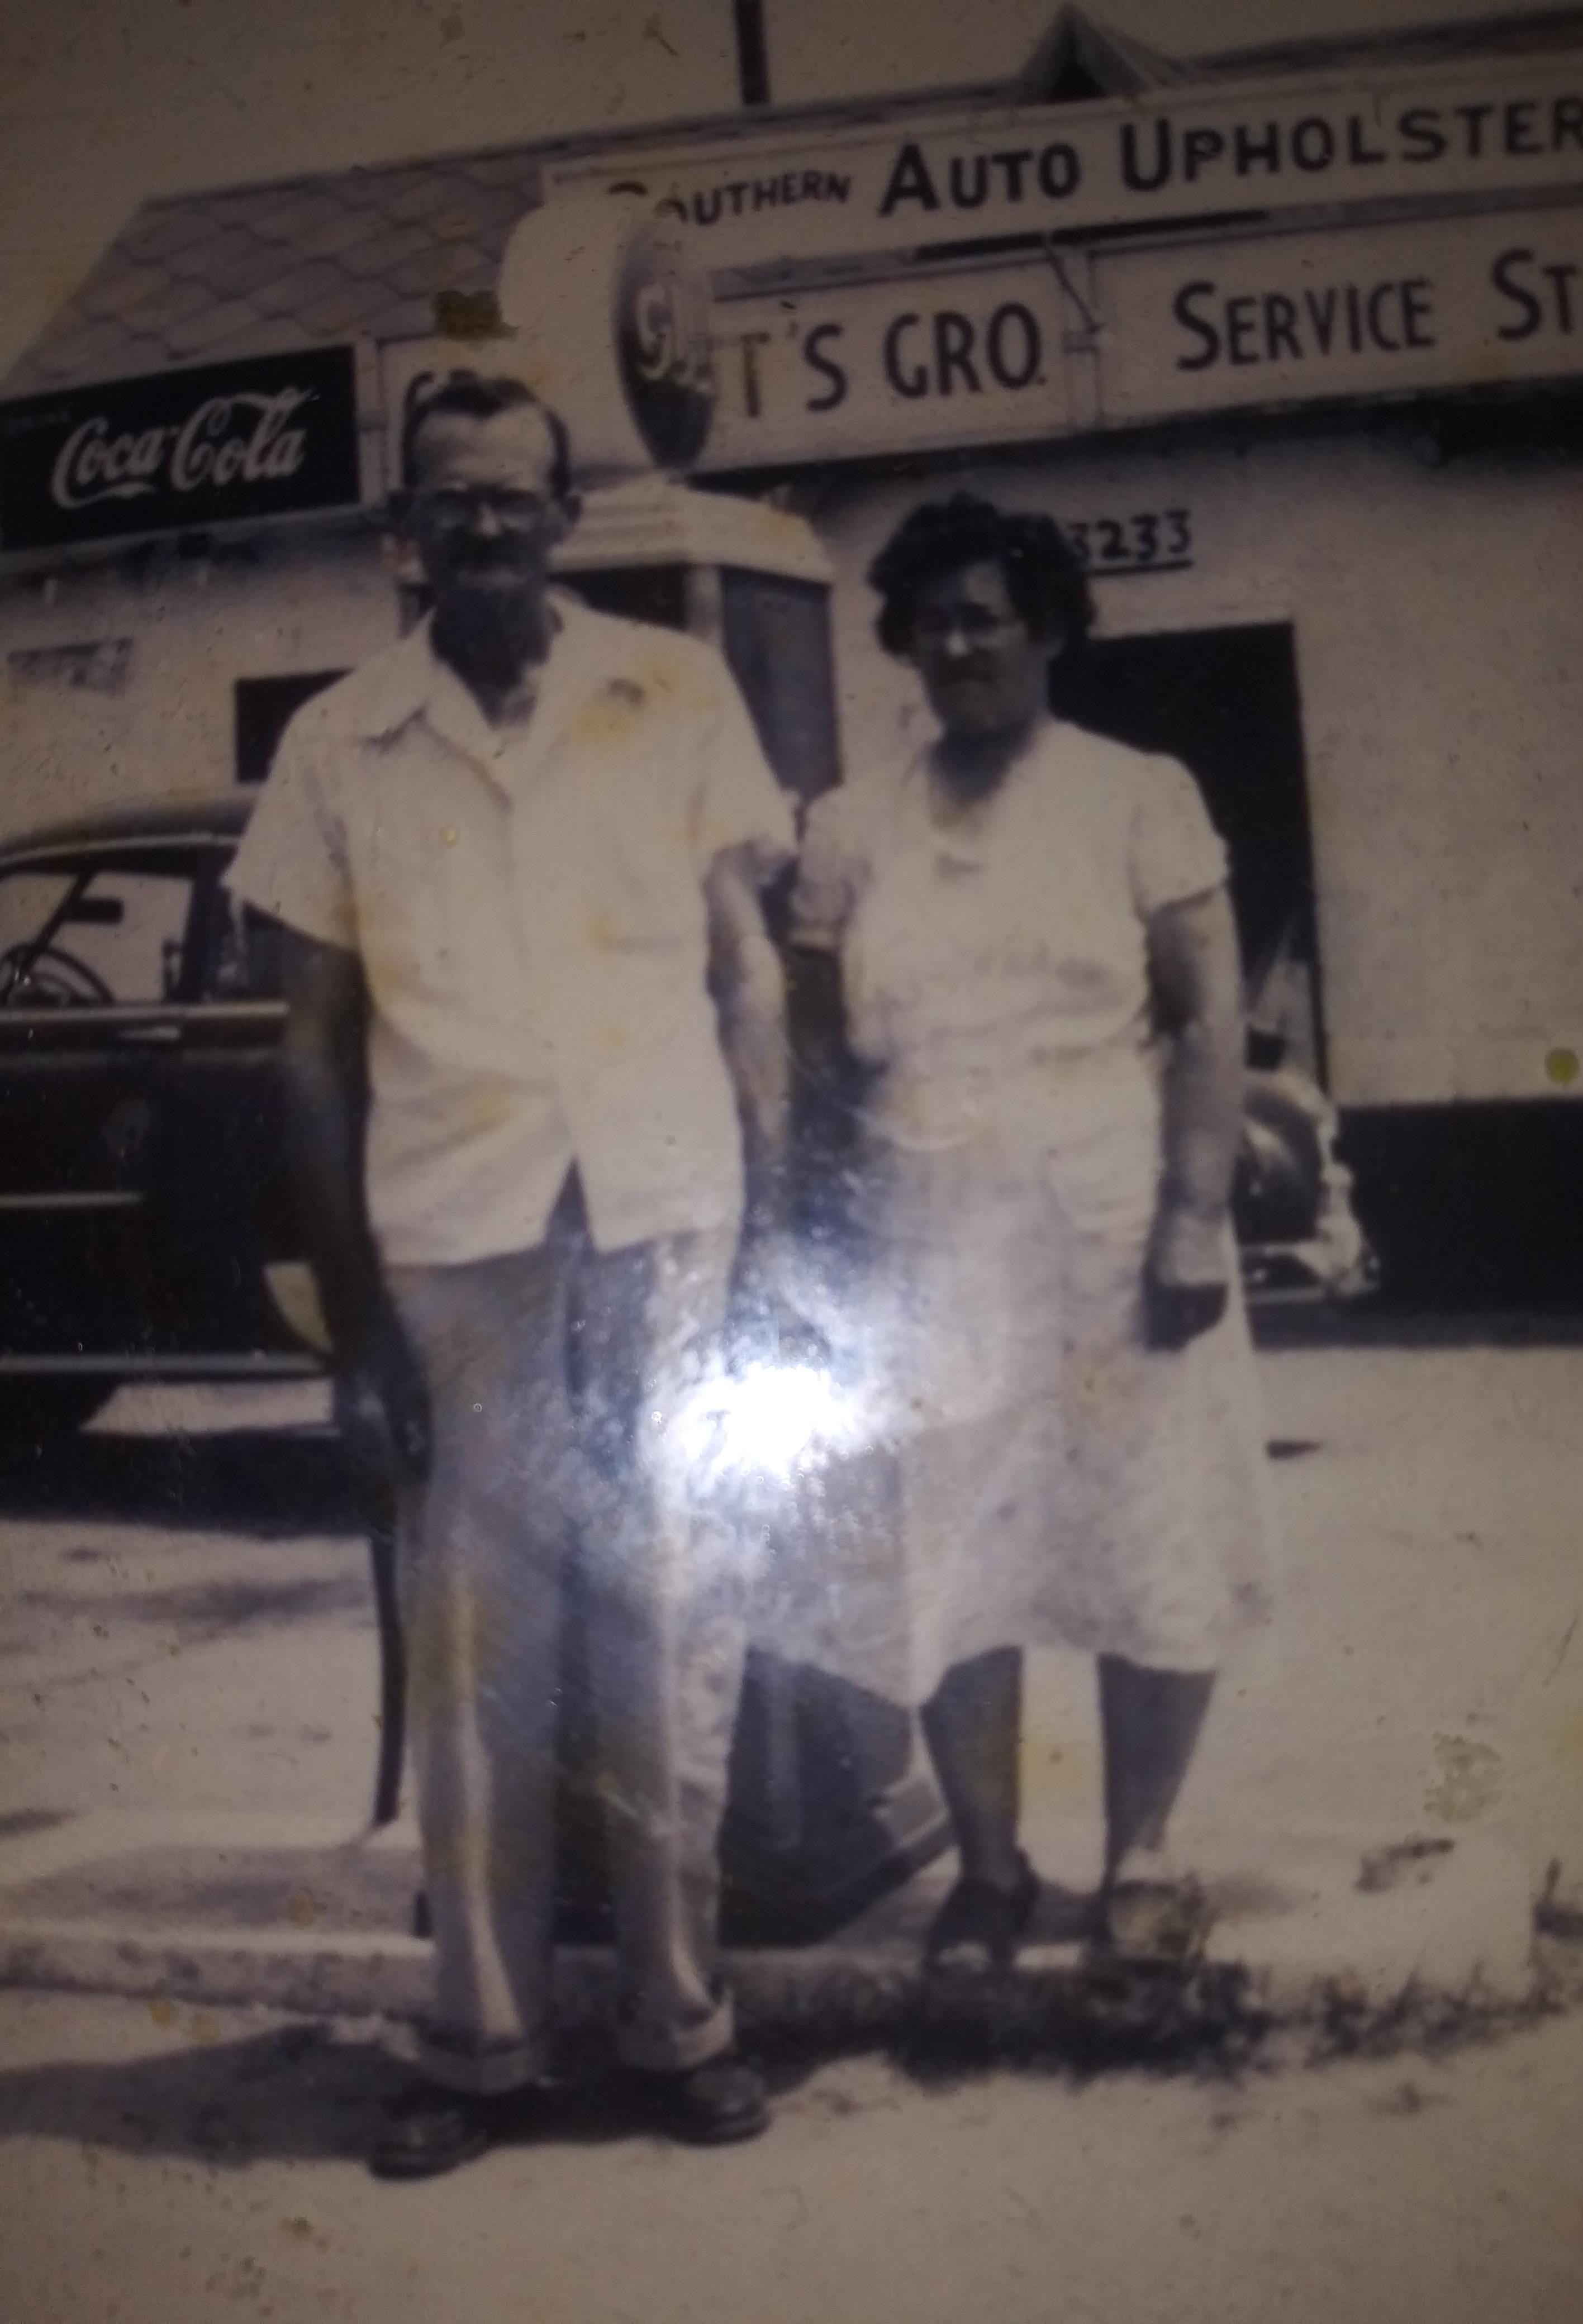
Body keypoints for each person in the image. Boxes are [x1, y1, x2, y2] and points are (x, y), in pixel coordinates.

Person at [226, 373, 794, 2174]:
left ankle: (681, 2019)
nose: (484, 526)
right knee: (479, 1668)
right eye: (449, 499)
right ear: (403, 525)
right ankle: (481, 2048)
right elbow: (311, 1055)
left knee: (668, 1628)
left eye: (514, 497)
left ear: (566, 516)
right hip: (455, 1247)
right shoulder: (336, 743)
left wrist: (768, 1243)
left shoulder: (674, 693)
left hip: (664, 1225)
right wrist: (355, 1334)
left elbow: (749, 982)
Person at [788, 493, 1272, 1973]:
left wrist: (1193, 1217)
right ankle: (989, 1870)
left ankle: (1141, 1858)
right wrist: (825, 1250)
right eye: (931, 622)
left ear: (1049, 626)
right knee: (952, 1546)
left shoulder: (1139, 794)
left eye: (987, 615)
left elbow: (1207, 1022)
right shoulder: (850, 825)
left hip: (1113, 1215)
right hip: (924, 1226)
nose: (959, 644)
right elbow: (814, 1061)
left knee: (1147, 1529)